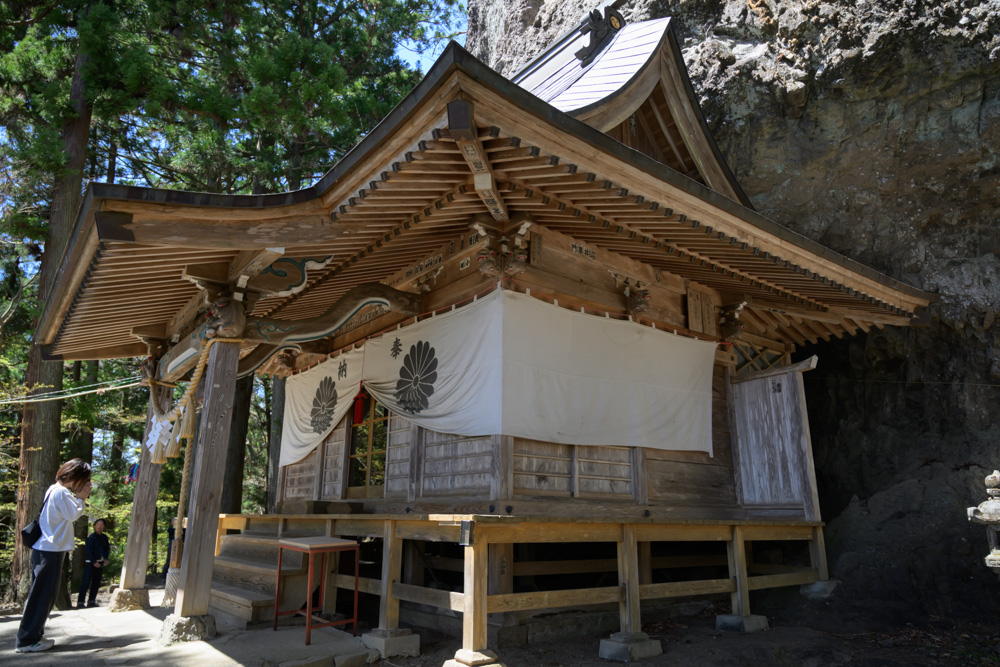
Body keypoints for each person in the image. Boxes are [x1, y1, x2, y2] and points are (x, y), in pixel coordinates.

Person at [15, 458, 92, 653]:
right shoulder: (62, 492)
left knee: (43, 596)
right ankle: (27, 641)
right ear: (75, 477)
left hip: (47, 550)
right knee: (42, 596)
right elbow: (73, 515)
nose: (83, 484)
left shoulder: (53, 489)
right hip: (50, 551)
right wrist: (82, 498)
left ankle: (33, 636)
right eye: (83, 479)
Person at [77, 518, 110, 609]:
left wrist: (106, 559)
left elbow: (106, 549)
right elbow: (88, 551)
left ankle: (91, 601)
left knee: (96, 583)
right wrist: (93, 561)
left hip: (100, 563)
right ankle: (80, 602)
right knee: (86, 582)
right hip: (90, 563)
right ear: (94, 526)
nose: (100, 526)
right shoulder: (91, 538)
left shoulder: (104, 537)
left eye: (102, 524)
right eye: (98, 524)